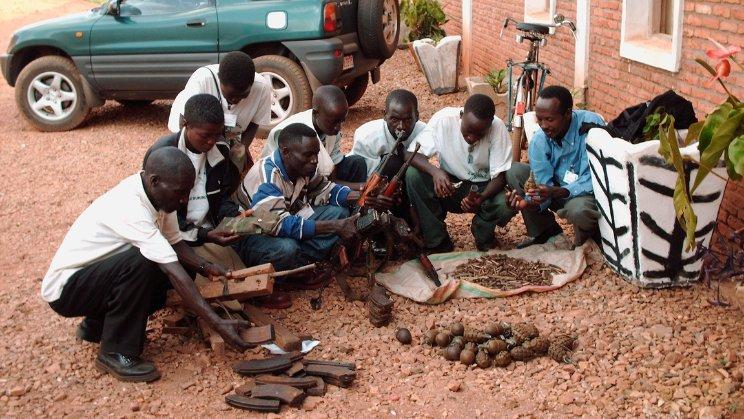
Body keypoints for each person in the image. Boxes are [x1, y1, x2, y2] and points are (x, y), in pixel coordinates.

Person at [41, 148, 250, 383]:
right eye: (180, 193)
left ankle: (97, 325)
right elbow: (171, 268)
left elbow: (176, 244)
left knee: (175, 267)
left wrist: (205, 266)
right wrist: (217, 322)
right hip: (66, 290)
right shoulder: (130, 205)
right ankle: (115, 352)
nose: (184, 200)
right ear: (155, 181)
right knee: (144, 262)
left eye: (188, 192)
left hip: (92, 279)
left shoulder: (160, 197)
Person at [146, 94, 279, 305]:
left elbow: (222, 196)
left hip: (211, 229)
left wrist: (235, 217)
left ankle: (247, 291)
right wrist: (206, 235)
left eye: (217, 135)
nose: (211, 142)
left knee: (269, 239)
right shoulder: (163, 155)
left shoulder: (220, 149)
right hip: (179, 237)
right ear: (186, 124)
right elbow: (161, 216)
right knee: (223, 287)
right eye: (205, 136)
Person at [235, 123, 393, 294]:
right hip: (250, 232)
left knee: (339, 213)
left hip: (283, 218)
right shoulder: (268, 177)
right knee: (287, 248)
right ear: (286, 152)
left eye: (316, 154)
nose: (315, 160)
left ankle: (299, 264)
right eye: (308, 155)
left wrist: (363, 196)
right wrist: (335, 226)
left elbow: (326, 190)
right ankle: (278, 281)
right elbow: (276, 224)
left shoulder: (301, 167)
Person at [406, 94, 515, 252]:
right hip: (450, 186)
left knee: (507, 203)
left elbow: (500, 177)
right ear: (461, 116)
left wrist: (481, 198)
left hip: (483, 189)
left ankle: (483, 234)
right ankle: (437, 240)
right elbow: (410, 155)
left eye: (480, 134)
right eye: (468, 131)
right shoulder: (444, 120)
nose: (472, 138)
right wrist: (435, 172)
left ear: (490, 123)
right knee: (413, 174)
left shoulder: (497, 127)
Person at [505, 85, 604, 248]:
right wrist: (528, 202)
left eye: (549, 119)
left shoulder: (590, 126)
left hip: (584, 193)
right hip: (555, 191)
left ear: (567, 113)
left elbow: (594, 177)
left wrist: (560, 191)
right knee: (514, 171)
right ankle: (546, 233)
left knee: (579, 210)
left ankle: (588, 244)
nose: (543, 125)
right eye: (539, 119)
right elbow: (542, 184)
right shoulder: (539, 140)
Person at [167, 51, 271, 173]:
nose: (235, 100)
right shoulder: (202, 79)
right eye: (230, 95)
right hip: (197, 132)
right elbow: (185, 125)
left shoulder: (261, 88)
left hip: (233, 132)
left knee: (234, 170)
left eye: (243, 95)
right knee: (192, 169)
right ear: (219, 79)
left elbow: (254, 124)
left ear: (252, 85)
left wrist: (239, 150)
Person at [260, 85, 368, 188]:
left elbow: (332, 172)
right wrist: (360, 187)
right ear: (316, 113)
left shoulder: (331, 129)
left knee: (357, 162)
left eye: (342, 121)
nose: (338, 127)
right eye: (334, 122)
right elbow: (301, 177)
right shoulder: (293, 132)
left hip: (319, 176)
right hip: (291, 182)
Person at [349, 89, 427, 179]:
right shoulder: (367, 137)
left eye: (407, 120)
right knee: (391, 162)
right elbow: (360, 174)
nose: (401, 126)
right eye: (394, 120)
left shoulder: (424, 133)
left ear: (417, 116)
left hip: (403, 180)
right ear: (385, 115)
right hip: (367, 180)